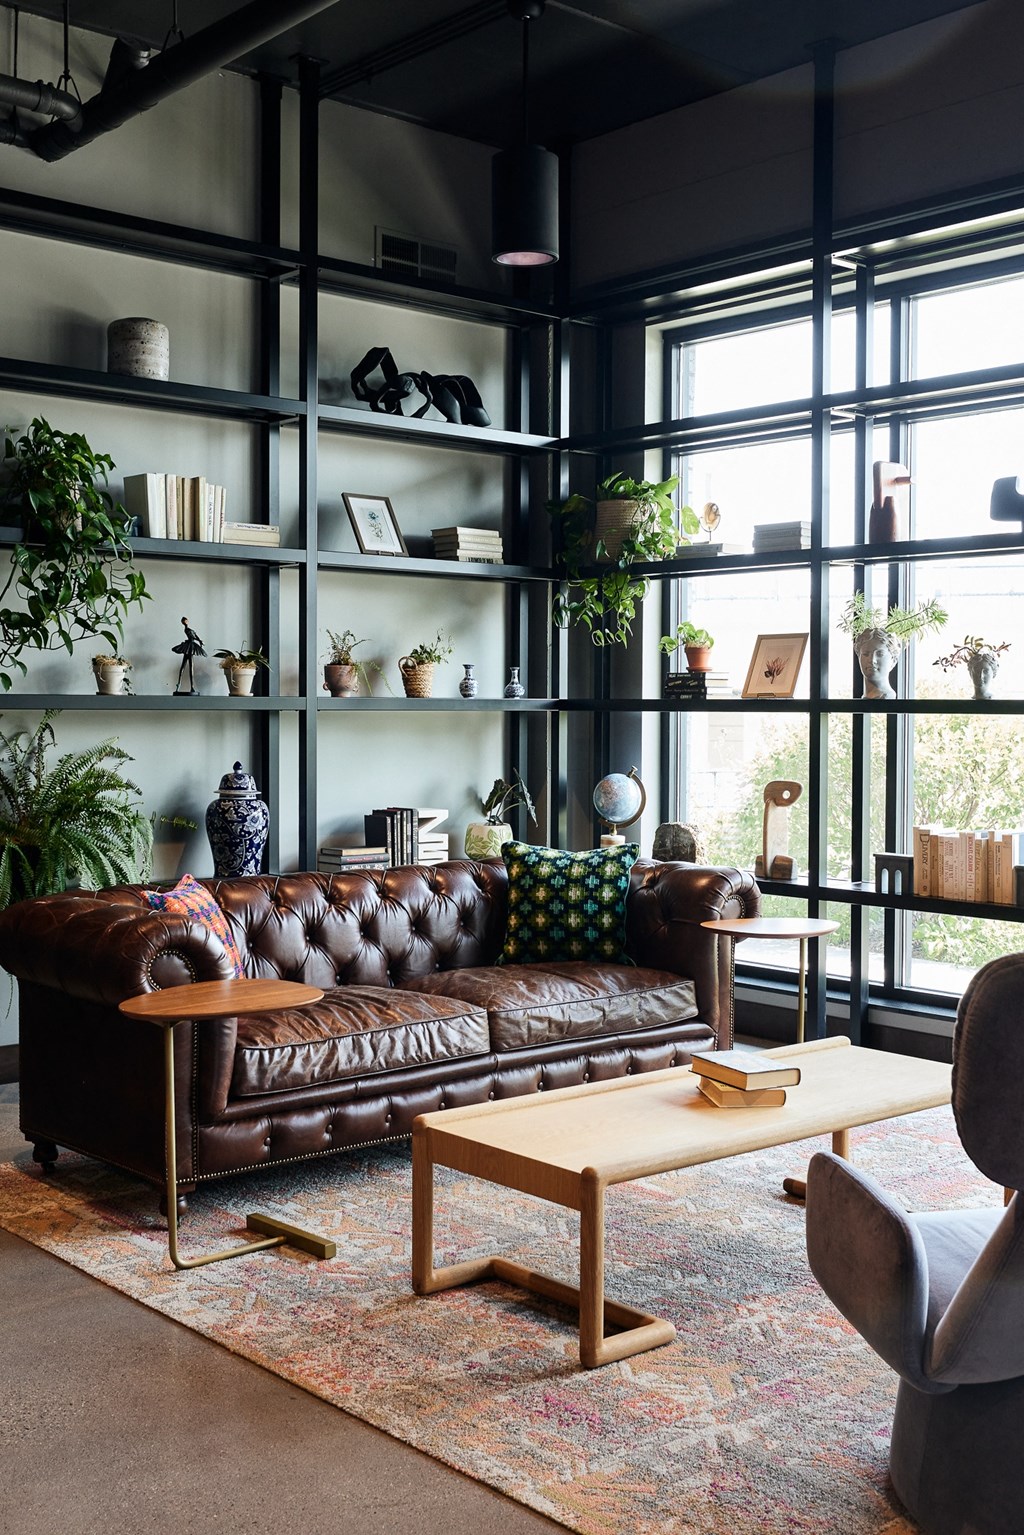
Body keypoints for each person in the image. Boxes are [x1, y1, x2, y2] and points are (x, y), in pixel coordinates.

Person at [853, 626, 901, 699]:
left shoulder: (887, 698)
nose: (872, 660)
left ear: (893, 661)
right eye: (866, 654)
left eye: (880, 654)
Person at [172, 616, 206, 695]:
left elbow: (195, 635)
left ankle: (192, 687)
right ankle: (179, 685)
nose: (185, 622)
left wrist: (200, 641)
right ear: (183, 623)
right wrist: (199, 640)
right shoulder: (186, 629)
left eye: (186, 621)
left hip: (191, 647)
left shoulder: (189, 629)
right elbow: (193, 636)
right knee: (184, 667)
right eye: (184, 621)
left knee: (190, 667)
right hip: (189, 646)